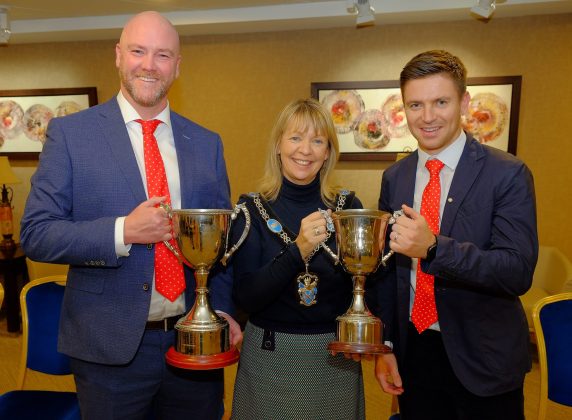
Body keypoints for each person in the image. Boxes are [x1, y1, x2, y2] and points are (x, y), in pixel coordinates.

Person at [20, 11, 241, 420]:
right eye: (138, 51)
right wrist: (124, 231)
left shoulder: (206, 143)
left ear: (177, 66)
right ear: (119, 56)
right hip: (108, 351)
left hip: (192, 344)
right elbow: (36, 233)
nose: (149, 65)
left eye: (162, 55)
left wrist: (223, 312)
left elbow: (221, 245)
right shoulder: (71, 136)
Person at [374, 50, 538, 420]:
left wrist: (433, 247)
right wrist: (384, 346)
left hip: (484, 361)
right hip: (414, 352)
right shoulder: (395, 177)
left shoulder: (507, 174)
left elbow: (516, 271)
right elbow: (387, 275)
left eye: (440, 102)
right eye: (415, 104)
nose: (427, 117)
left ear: (464, 102)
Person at [230, 98, 365, 419]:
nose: (305, 150)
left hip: (335, 358)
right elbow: (247, 297)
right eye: (295, 138)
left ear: (328, 152)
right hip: (270, 356)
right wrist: (298, 250)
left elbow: (364, 286)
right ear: (278, 145)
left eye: (317, 141)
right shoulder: (249, 210)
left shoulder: (348, 206)